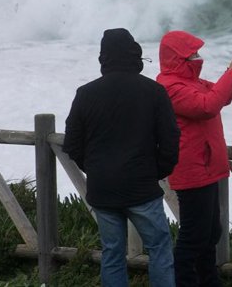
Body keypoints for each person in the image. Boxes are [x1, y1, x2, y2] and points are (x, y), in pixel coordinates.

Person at [63, 28, 180, 287]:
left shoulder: (86, 93)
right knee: (159, 249)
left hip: (103, 188)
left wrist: (94, 168)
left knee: (112, 253)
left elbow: (72, 143)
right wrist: (156, 171)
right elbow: (171, 140)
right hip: (142, 187)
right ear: (134, 54)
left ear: (103, 57)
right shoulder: (153, 91)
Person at [156, 30, 232, 287]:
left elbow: (221, 97)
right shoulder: (170, 87)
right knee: (194, 236)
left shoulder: (191, 83)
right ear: (177, 59)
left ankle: (208, 280)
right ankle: (186, 282)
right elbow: (207, 106)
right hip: (192, 170)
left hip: (207, 167)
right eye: (192, 54)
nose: (198, 58)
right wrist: (231, 72)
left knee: (210, 232)